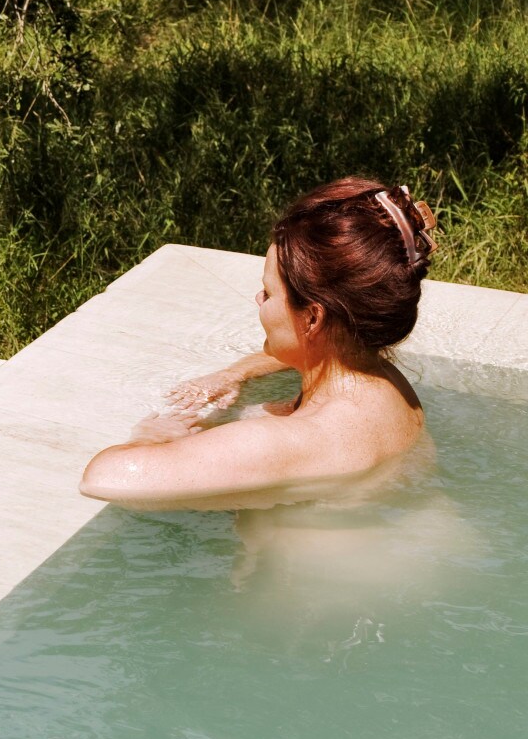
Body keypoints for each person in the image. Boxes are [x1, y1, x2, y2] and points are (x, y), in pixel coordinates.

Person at [80, 178, 437, 512]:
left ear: (312, 318)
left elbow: (103, 478)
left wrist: (154, 439)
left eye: (268, 292)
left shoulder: (297, 439)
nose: (257, 298)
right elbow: (306, 351)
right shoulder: (381, 379)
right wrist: (234, 374)